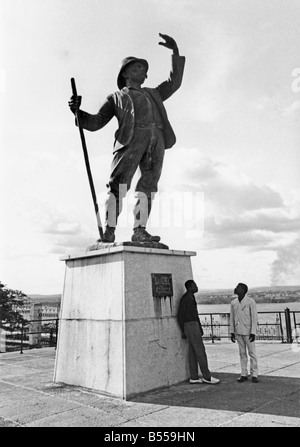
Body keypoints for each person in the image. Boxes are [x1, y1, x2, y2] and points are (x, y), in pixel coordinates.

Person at [68, 33, 185, 243]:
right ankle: (109, 230)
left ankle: (140, 230)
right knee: (118, 185)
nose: (144, 71)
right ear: (126, 73)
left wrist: (175, 52)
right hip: (130, 140)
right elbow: (95, 122)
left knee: (148, 185)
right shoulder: (116, 97)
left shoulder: (154, 93)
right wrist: (78, 112)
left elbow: (174, 82)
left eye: (145, 69)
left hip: (155, 139)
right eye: (138, 67)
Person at [177, 280, 220, 385]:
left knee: (192, 352)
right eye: (195, 285)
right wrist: (186, 329)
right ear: (190, 287)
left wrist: (193, 328)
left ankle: (194, 376)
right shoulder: (187, 299)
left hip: (191, 325)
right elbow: (182, 315)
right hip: (191, 325)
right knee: (200, 351)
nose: (197, 287)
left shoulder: (189, 298)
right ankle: (207, 377)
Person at [230, 283, 259, 383]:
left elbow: (254, 318)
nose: (236, 289)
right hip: (238, 332)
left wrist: (253, 332)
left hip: (248, 332)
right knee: (242, 353)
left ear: (243, 290)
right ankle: (243, 373)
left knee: (252, 353)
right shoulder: (233, 303)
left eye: (238, 287)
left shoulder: (251, 302)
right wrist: (232, 332)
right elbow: (232, 318)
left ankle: (254, 374)